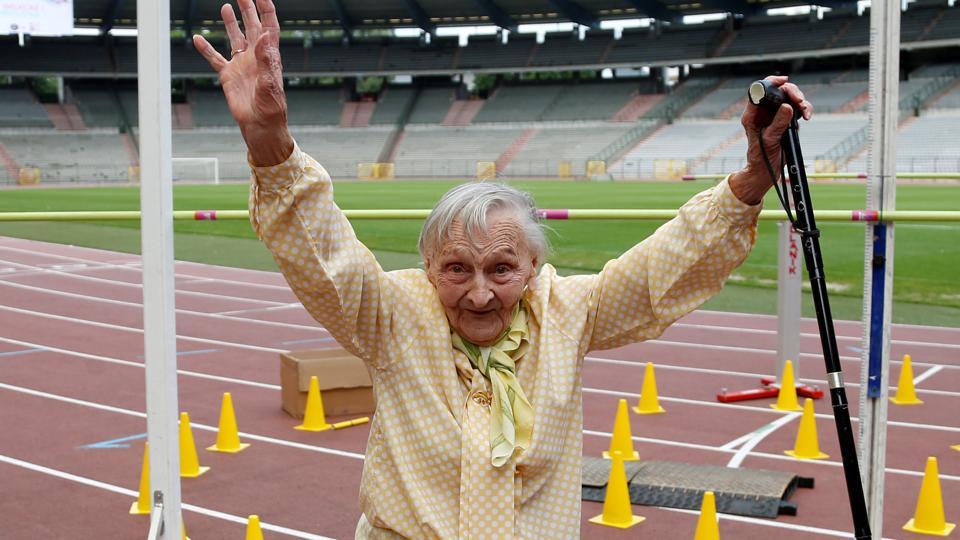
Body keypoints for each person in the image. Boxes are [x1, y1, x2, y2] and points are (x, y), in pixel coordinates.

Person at [194, 1, 814, 538]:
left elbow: (658, 275)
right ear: (429, 267)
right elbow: (324, 254)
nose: (481, 294)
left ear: (534, 266)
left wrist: (751, 181)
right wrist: (270, 141)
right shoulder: (392, 316)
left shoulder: (568, 314)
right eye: (457, 268)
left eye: (502, 268)